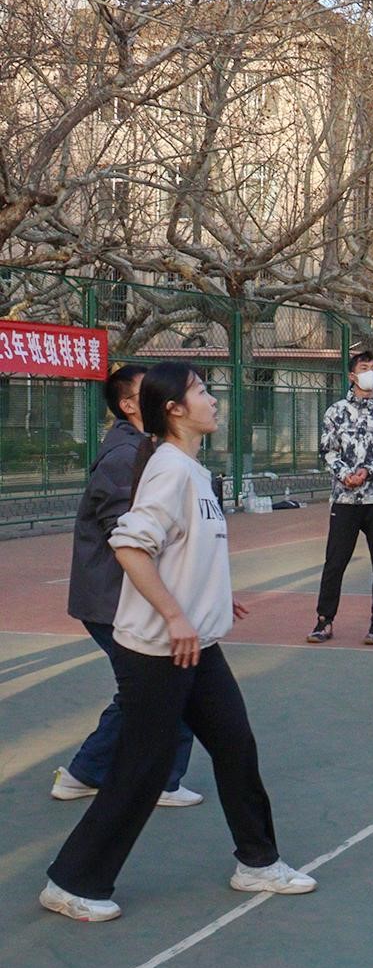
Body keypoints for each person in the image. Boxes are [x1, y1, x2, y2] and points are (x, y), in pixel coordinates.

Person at [41, 363, 316, 923]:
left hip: (196, 645)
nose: (213, 400)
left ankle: (258, 863)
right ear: (174, 409)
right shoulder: (169, 469)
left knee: (235, 746)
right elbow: (130, 545)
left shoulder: (191, 470)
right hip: (158, 648)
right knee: (143, 767)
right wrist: (175, 615)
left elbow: (184, 550)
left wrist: (211, 596)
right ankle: (72, 883)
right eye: (202, 391)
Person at [54, 364, 201, 809]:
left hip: (127, 597)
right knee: (158, 687)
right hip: (114, 600)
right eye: (148, 391)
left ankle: (97, 774)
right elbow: (130, 539)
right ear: (129, 405)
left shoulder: (152, 450)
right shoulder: (126, 456)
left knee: (158, 687)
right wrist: (171, 604)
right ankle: (108, 775)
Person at [310, 350, 373, 645]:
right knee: (335, 562)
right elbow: (328, 451)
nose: (370, 373)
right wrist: (345, 475)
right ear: (352, 376)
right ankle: (324, 621)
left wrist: (369, 471)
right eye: (364, 368)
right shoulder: (336, 412)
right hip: (345, 500)